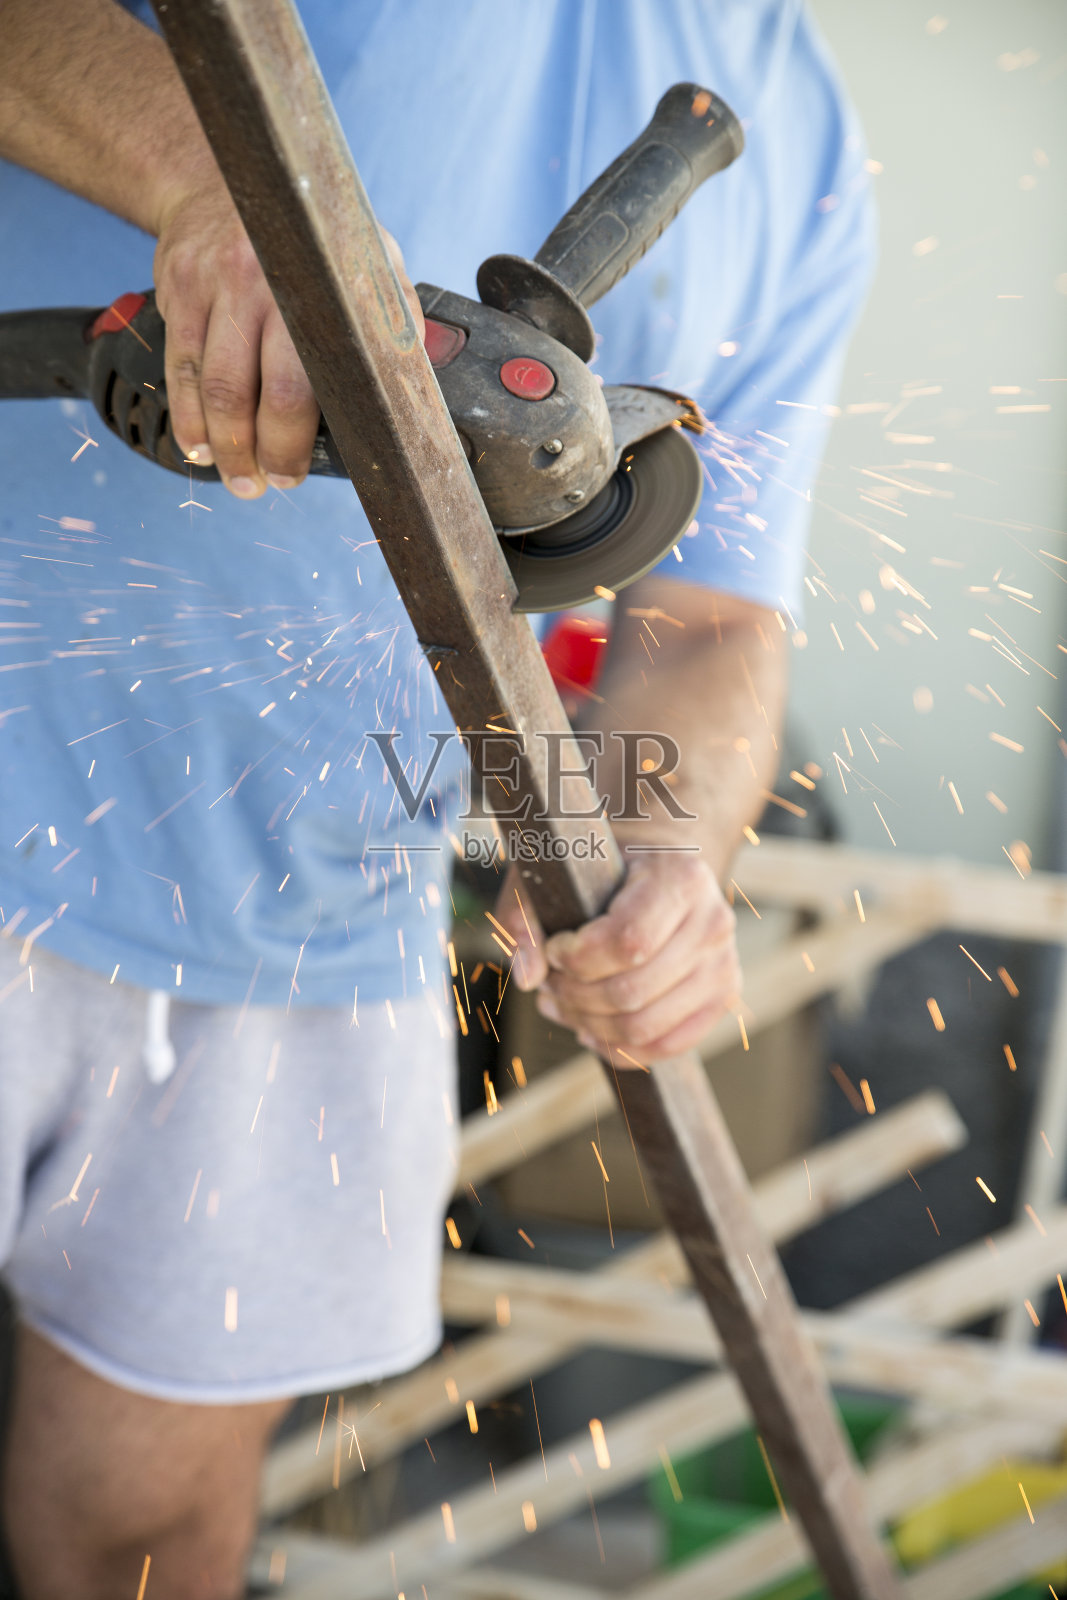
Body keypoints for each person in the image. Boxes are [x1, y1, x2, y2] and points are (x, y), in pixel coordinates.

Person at [0, 0, 874, 1592]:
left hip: (309, 931)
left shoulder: (786, 129)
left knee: (139, 1548)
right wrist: (223, 187)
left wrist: (658, 846)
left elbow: (717, 622)